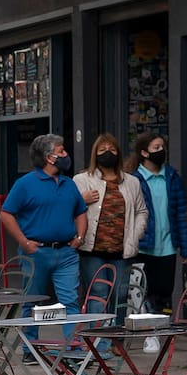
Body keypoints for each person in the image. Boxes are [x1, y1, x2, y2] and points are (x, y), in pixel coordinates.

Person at [0, 133, 89, 357]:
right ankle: (31, 349)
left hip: (66, 252)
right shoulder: (26, 184)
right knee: (33, 301)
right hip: (36, 252)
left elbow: (81, 212)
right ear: (50, 157)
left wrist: (79, 237)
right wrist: (23, 241)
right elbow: (6, 214)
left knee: (70, 300)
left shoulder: (69, 184)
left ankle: (73, 347)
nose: (66, 155)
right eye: (62, 151)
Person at [73, 134, 148, 324]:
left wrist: (136, 234)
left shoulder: (132, 182)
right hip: (92, 249)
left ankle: (118, 340)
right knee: (98, 293)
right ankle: (98, 343)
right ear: (94, 155)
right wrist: (82, 199)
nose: (108, 153)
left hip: (122, 250)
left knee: (121, 295)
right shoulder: (82, 179)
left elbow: (142, 211)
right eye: (102, 150)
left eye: (112, 150)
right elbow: (68, 208)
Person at [131, 133, 187, 353]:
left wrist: (186, 247)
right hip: (144, 245)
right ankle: (150, 333)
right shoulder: (134, 179)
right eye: (156, 147)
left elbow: (181, 214)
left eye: (163, 146)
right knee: (146, 291)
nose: (161, 150)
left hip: (167, 244)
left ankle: (161, 328)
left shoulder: (172, 177)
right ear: (144, 153)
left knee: (165, 290)